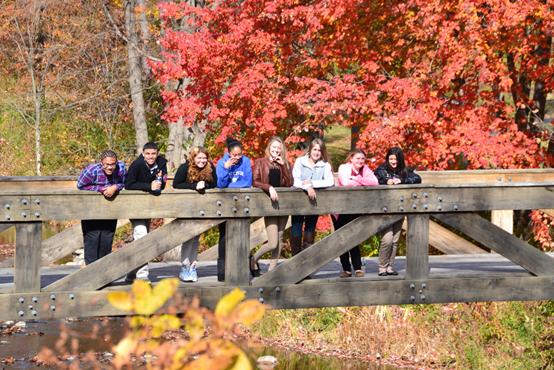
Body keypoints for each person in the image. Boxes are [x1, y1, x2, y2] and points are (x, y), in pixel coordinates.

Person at [124, 141, 168, 283]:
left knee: (141, 238)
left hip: (149, 207)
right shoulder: (136, 165)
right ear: (143, 154)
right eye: (147, 153)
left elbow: (163, 181)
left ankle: (131, 273)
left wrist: (158, 185)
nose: (150, 156)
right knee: (142, 236)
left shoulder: (161, 163)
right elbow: (128, 184)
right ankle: (142, 277)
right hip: (135, 207)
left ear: (157, 154)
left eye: (153, 153)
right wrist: (149, 186)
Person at [374, 147, 421, 276]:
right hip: (385, 209)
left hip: (399, 209)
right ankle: (382, 267)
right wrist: (386, 181)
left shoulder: (404, 171)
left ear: (400, 159)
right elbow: (374, 179)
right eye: (391, 159)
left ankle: (390, 267)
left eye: (395, 159)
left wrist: (402, 180)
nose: (393, 161)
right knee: (387, 239)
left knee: (395, 240)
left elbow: (417, 179)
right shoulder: (381, 170)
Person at [173, 146, 217, 282]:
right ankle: (185, 266)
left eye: (204, 158)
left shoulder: (210, 168)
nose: (202, 160)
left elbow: (215, 183)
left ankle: (193, 266)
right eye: (199, 157)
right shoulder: (184, 167)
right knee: (188, 237)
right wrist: (194, 186)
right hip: (187, 207)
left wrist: (205, 185)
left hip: (202, 208)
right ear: (193, 157)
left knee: (196, 237)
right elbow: (176, 184)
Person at [333, 149, 378, 278]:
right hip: (340, 208)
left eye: (362, 159)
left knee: (354, 238)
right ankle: (346, 269)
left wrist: (358, 179)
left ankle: (358, 268)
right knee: (342, 239)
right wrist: (362, 182)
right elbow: (346, 183)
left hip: (355, 208)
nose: (360, 161)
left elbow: (374, 182)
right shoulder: (344, 168)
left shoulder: (365, 169)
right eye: (357, 158)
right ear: (351, 158)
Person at [252, 137, 293, 276]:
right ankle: (253, 259)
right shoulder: (260, 162)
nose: (276, 150)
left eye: (279, 148)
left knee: (280, 240)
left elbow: (289, 183)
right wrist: (269, 187)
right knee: (273, 242)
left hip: (283, 206)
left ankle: (271, 270)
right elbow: (255, 181)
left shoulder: (285, 163)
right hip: (269, 206)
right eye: (274, 147)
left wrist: (284, 166)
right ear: (269, 147)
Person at [77, 150, 126, 265]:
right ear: (101, 163)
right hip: (91, 209)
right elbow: (80, 185)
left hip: (110, 208)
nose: (110, 167)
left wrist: (115, 187)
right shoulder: (91, 170)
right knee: (92, 239)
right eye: (107, 164)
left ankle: (104, 276)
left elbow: (125, 182)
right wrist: (100, 189)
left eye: (112, 164)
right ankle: (91, 276)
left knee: (107, 239)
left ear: (116, 163)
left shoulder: (121, 168)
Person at [216, 137, 253, 281]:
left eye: (239, 154)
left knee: (243, 236)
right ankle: (222, 271)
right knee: (224, 236)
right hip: (224, 203)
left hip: (242, 204)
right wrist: (226, 169)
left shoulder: (246, 161)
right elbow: (220, 184)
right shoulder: (221, 163)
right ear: (229, 153)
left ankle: (243, 268)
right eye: (234, 155)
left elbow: (247, 182)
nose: (237, 158)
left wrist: (231, 186)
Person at [290, 138, 334, 256]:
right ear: (310, 149)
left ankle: (306, 265)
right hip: (298, 201)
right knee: (296, 229)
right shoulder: (300, 161)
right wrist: (307, 187)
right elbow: (295, 180)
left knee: (310, 230)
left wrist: (312, 183)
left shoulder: (325, 165)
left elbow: (329, 182)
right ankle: (295, 263)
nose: (317, 152)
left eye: (319, 150)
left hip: (314, 203)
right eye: (314, 149)